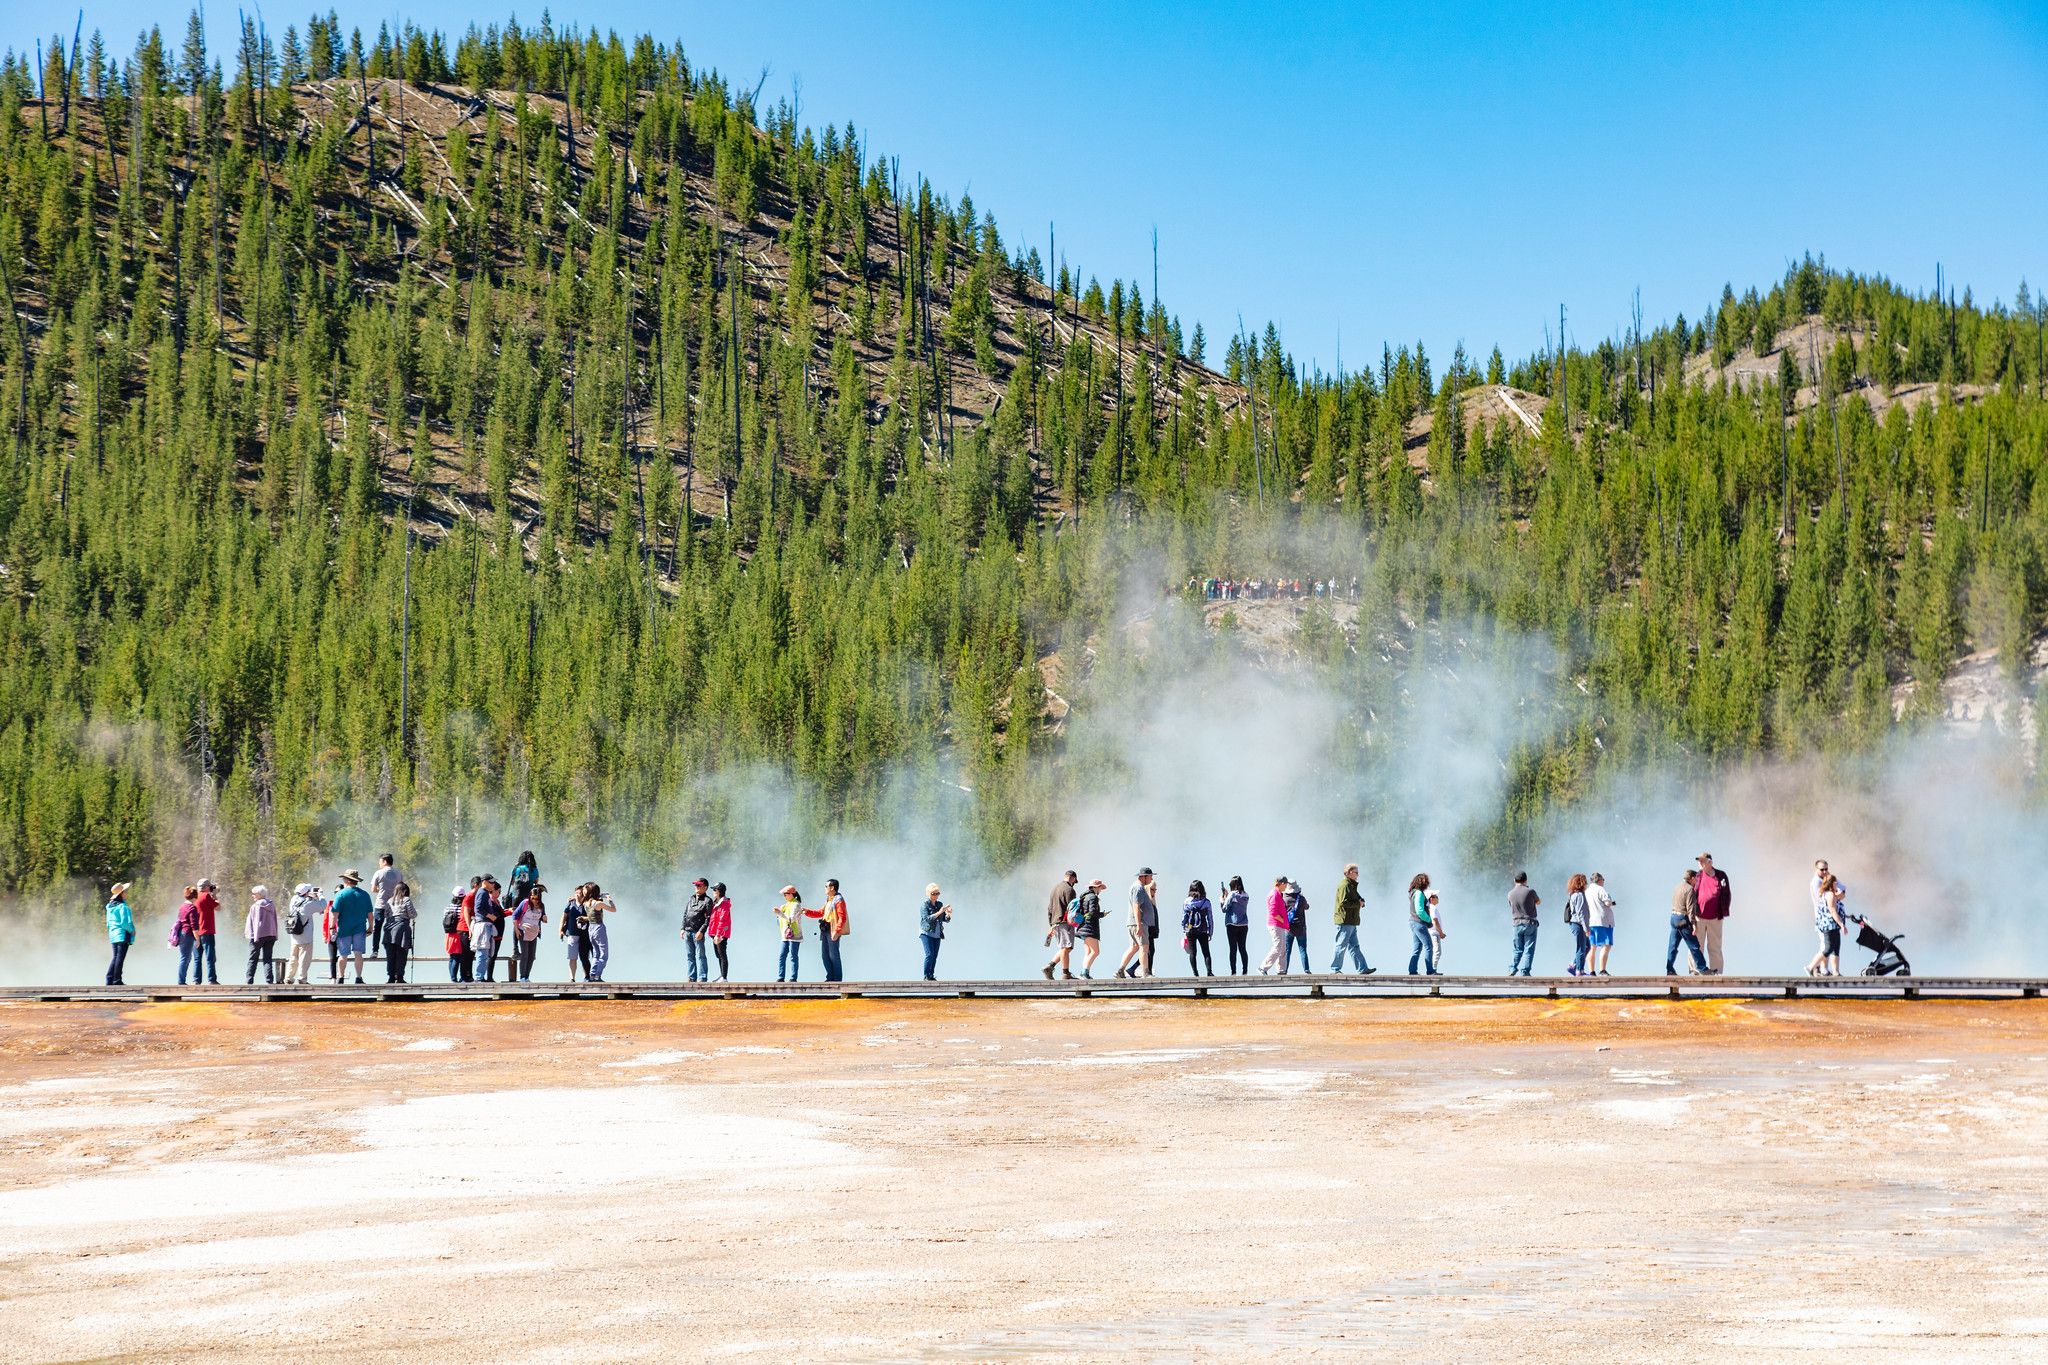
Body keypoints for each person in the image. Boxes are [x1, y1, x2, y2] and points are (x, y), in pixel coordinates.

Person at [330, 870, 373, 985]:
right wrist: (370, 927)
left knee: (343, 955)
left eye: (344, 879)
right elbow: (370, 914)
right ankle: (358, 978)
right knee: (358, 953)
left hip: (344, 929)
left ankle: (341, 978)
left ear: (347, 880)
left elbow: (335, 913)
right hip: (359, 928)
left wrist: (332, 927)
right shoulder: (364, 895)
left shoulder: (341, 894)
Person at [1115, 868, 1159, 979]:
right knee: (1144, 948)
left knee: (1133, 947)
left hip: (1134, 923)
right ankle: (1146, 973)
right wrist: (1139, 925)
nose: (1151, 878)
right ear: (1143, 876)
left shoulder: (1137, 887)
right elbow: (1136, 906)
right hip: (1139, 923)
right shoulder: (1138, 888)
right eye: (1150, 876)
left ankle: (1120, 970)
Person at [1331, 864, 1374, 975]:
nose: (1358, 874)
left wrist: (1360, 901)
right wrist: (1358, 903)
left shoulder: (1351, 885)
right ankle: (1335, 969)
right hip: (1345, 920)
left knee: (1354, 946)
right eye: (1356, 872)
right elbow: (1344, 902)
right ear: (1349, 872)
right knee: (1341, 945)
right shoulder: (1345, 885)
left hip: (1351, 921)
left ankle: (1362, 968)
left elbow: (1355, 897)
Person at [1694, 853, 1732, 974]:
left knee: (1715, 947)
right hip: (1698, 917)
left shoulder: (1721, 876)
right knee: (1696, 945)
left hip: (1716, 917)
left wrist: (1724, 910)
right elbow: (1691, 895)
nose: (1700, 863)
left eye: (1703, 861)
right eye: (1699, 861)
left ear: (1710, 862)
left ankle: (1716, 972)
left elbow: (1727, 894)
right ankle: (1695, 970)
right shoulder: (1697, 876)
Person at [1666, 869, 1708, 975]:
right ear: (1692, 878)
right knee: (1694, 945)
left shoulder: (1677, 887)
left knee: (1673, 946)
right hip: (1683, 920)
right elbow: (1690, 909)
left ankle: (1670, 969)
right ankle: (1702, 968)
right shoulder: (1690, 890)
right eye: (1696, 879)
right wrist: (1694, 924)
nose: (1697, 881)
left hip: (1673, 917)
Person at [1807, 873, 1847, 976]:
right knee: (1828, 948)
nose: (1837, 884)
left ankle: (1836, 972)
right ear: (1832, 883)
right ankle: (1811, 967)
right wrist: (1842, 925)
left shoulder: (1828, 893)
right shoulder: (1829, 894)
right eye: (1835, 883)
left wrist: (1839, 894)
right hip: (1829, 926)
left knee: (1836, 948)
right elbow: (1833, 911)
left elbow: (1839, 898)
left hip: (1833, 926)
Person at [1043, 870, 1079, 981]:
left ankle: (1050, 966)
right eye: (1074, 881)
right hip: (1065, 923)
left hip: (1055, 922)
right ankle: (1065, 973)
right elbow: (1072, 909)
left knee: (1065, 947)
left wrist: (1051, 925)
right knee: (1066, 947)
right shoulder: (1070, 890)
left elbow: (1049, 908)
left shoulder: (1054, 889)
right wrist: (1078, 921)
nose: (1074, 883)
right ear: (1072, 878)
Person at [284, 884, 320, 985]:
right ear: (307, 892)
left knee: (293, 957)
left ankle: (289, 978)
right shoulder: (308, 904)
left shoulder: (293, 900)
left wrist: (310, 896)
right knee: (304, 958)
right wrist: (320, 896)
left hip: (294, 935)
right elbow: (322, 906)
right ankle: (302, 978)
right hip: (306, 936)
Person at [816, 879, 850, 983]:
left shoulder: (838, 899)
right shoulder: (829, 900)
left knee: (833, 954)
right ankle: (830, 977)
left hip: (833, 928)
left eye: (826, 886)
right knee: (825, 955)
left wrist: (837, 930)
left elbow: (842, 917)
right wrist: (806, 911)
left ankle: (837, 979)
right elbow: (820, 913)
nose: (825, 888)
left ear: (832, 888)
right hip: (825, 929)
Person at [244, 885, 279, 985]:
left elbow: (254, 922)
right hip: (271, 935)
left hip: (258, 936)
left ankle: (249, 980)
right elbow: (275, 919)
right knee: (267, 958)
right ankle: (269, 981)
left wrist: (254, 936)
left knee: (253, 959)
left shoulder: (256, 906)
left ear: (259, 894)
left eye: (254, 894)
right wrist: (275, 934)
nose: (252, 896)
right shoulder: (271, 905)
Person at [1071, 879, 1106, 978]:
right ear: (1096, 887)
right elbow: (1093, 912)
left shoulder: (1084, 897)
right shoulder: (1093, 897)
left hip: (1082, 926)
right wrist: (1102, 914)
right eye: (1100, 888)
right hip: (1089, 927)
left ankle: (1084, 972)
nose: (1100, 890)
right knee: (1095, 951)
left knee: (1088, 952)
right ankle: (1084, 973)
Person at [1507, 872, 1541, 976]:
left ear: (1514, 881)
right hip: (1530, 923)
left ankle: (1512, 969)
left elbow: (1510, 905)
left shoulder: (1510, 893)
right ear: (1526, 880)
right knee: (1528, 949)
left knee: (1517, 949)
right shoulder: (1530, 891)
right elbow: (1538, 902)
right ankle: (1525, 971)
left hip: (1516, 923)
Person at [682, 878, 714, 983]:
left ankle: (702, 977)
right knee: (690, 955)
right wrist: (682, 928)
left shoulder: (707, 901)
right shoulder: (691, 898)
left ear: (705, 888)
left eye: (699, 885)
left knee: (701, 956)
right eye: (696, 885)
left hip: (697, 932)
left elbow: (708, 919)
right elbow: (685, 914)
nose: (696, 887)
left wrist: (701, 931)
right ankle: (692, 977)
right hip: (687, 931)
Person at [369, 855, 401, 962]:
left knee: (377, 928)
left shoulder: (379, 873)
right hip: (394, 905)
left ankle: (375, 951)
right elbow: (401, 889)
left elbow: (373, 889)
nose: (379, 864)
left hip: (381, 904)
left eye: (380, 861)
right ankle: (391, 951)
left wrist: (382, 889)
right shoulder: (398, 873)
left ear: (385, 861)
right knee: (391, 928)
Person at [384, 882, 417, 983]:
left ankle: (390, 977)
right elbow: (412, 914)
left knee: (390, 955)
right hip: (402, 928)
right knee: (401, 954)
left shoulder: (390, 900)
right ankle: (399, 977)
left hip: (389, 928)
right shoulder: (406, 899)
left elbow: (386, 914)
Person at [918, 883, 952, 980]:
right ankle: (926, 976)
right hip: (926, 933)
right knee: (929, 954)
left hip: (937, 934)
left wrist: (948, 914)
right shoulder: (924, 905)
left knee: (935, 955)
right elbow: (927, 919)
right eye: (933, 893)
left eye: (937, 893)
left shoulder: (939, 904)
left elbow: (945, 919)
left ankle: (931, 975)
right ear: (928, 894)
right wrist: (940, 912)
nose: (936, 895)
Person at [1586, 873, 1617, 976]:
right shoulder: (1600, 889)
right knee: (1607, 945)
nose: (1603, 881)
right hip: (1603, 921)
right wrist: (1613, 903)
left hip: (1591, 922)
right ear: (1599, 880)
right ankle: (1602, 970)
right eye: (1603, 879)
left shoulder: (1587, 891)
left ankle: (1591, 971)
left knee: (1592, 946)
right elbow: (1607, 903)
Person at [1182, 879, 1216, 976]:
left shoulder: (1187, 901)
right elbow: (1210, 918)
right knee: (1206, 952)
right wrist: (1210, 932)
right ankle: (1209, 972)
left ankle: (1195, 973)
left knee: (1193, 952)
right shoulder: (1206, 902)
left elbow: (1184, 917)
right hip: (1203, 929)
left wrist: (1184, 929)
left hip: (1190, 928)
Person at [1259, 875, 1292, 974]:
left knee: (1282, 948)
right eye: (1286, 884)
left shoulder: (1278, 893)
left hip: (1279, 925)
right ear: (1282, 884)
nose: (1286, 887)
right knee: (1278, 947)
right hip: (1275, 924)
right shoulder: (1274, 894)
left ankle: (1281, 970)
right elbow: (1273, 912)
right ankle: (1263, 967)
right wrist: (1282, 920)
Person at [105, 882, 136, 985]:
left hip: (113, 935)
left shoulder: (110, 907)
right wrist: (132, 931)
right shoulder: (123, 907)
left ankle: (109, 979)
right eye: (125, 891)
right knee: (120, 958)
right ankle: (117, 980)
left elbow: (108, 923)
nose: (127, 893)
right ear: (121, 893)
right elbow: (125, 922)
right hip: (122, 934)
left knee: (115, 957)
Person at [773, 886, 806, 982]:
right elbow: (780, 921)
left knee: (793, 955)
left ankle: (793, 977)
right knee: (782, 955)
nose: (784, 896)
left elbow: (791, 919)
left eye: (786, 894)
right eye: (784, 894)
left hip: (794, 934)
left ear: (792, 894)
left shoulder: (796, 904)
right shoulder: (786, 905)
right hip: (785, 935)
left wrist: (779, 913)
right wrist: (778, 913)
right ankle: (781, 977)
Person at [1218, 876, 1251, 974]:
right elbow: (1238, 902)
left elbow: (1224, 909)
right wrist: (1228, 896)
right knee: (1242, 948)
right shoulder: (1246, 895)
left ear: (1234, 885)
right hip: (1244, 925)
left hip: (1232, 924)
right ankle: (1245, 971)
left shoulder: (1232, 894)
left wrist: (1222, 899)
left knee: (1233, 949)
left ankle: (1233, 972)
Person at [193, 878, 221, 985]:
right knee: (210, 957)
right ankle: (212, 979)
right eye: (209, 886)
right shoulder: (206, 896)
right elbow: (218, 907)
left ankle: (196, 980)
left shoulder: (194, 897)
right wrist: (214, 895)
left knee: (197, 958)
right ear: (206, 887)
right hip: (207, 930)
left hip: (195, 931)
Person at [171, 887, 202, 985]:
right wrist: (197, 940)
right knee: (185, 958)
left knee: (185, 957)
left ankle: (181, 980)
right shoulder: (192, 908)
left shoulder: (182, 906)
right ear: (195, 896)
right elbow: (194, 926)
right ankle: (181, 982)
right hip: (188, 935)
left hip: (181, 934)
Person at [585, 885, 616, 982]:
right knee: (604, 954)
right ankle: (598, 976)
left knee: (596, 953)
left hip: (591, 928)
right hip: (599, 928)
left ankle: (592, 974)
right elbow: (613, 909)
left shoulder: (586, 903)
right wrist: (609, 900)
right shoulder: (598, 903)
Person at [1407, 873, 1435, 975]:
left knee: (1417, 948)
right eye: (1426, 882)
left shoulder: (1413, 892)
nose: (1427, 884)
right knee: (1429, 946)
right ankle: (1430, 971)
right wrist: (1429, 920)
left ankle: (1412, 971)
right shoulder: (1418, 893)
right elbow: (1420, 911)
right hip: (1418, 922)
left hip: (1413, 922)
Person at [1564, 874, 1591, 977]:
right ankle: (1580, 971)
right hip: (1578, 924)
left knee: (1587, 946)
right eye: (1585, 882)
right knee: (1581, 947)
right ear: (1581, 883)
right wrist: (1586, 929)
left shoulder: (1573, 894)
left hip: (1575, 923)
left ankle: (1573, 965)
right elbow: (1581, 913)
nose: (1587, 884)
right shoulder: (1580, 895)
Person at [561, 884, 590, 982]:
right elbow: (564, 916)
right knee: (572, 957)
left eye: (580, 893)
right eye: (576, 893)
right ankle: (572, 978)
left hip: (584, 934)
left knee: (584, 957)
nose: (578, 895)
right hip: (572, 933)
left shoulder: (587, 904)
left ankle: (587, 977)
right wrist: (560, 929)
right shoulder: (570, 903)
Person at [470, 891, 499, 983]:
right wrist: (489, 915)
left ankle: (480, 976)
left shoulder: (485, 894)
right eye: (491, 882)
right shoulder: (482, 893)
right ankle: (479, 977)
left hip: (487, 926)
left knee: (486, 953)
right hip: (482, 926)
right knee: (482, 952)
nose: (492, 884)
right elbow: (478, 909)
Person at [444, 887, 470, 983]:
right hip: (458, 934)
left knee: (452, 956)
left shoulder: (448, 907)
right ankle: (454, 978)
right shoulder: (462, 908)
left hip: (449, 934)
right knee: (457, 957)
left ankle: (452, 977)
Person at [707, 882, 733, 981]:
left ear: (719, 891)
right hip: (714, 933)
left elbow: (722, 920)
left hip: (721, 933)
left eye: (715, 890)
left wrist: (718, 935)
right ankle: (722, 975)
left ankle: (724, 977)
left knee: (722, 954)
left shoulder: (724, 903)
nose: (713, 891)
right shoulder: (715, 902)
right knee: (718, 954)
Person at [1286, 879, 1313, 973]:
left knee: (1287, 951)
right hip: (1301, 928)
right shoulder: (1301, 898)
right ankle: (1306, 970)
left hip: (1289, 928)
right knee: (1303, 950)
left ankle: (1284, 970)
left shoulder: (1285, 899)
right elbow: (1307, 907)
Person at [1426, 891, 1447, 972]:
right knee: (1437, 952)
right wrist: (1441, 933)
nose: (1437, 898)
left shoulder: (1430, 908)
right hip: (1434, 933)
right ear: (1431, 899)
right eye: (1436, 896)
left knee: (1435, 952)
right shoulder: (1433, 908)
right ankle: (1433, 970)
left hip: (1433, 933)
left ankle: (1432, 970)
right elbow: (1435, 921)